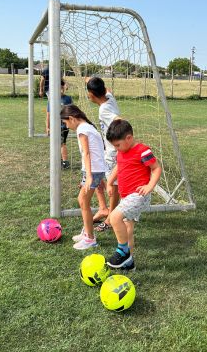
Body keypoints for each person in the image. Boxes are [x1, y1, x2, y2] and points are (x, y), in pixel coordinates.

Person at [105, 119, 162, 270]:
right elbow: (119, 166)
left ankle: (122, 251)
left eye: (118, 145)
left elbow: (156, 168)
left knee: (114, 217)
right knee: (127, 228)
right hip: (126, 196)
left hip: (138, 195)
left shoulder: (143, 151)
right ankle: (129, 263)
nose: (117, 149)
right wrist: (110, 182)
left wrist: (150, 186)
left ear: (129, 138)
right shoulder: (122, 151)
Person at [60, 104, 106, 250]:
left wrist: (90, 176)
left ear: (72, 118)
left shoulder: (82, 130)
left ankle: (90, 239)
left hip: (93, 171)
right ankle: (87, 231)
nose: (67, 126)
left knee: (82, 201)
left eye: (66, 123)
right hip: (95, 171)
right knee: (83, 200)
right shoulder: (88, 127)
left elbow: (87, 153)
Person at [86, 77, 121, 231]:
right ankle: (104, 209)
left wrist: (126, 141)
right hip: (108, 150)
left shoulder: (104, 109)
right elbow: (108, 90)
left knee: (113, 187)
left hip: (113, 154)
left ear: (92, 94)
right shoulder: (109, 98)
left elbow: (119, 121)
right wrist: (90, 79)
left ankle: (110, 219)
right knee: (101, 179)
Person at [47, 80, 72, 169]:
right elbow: (48, 114)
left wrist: (70, 123)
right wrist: (48, 127)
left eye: (61, 87)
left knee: (62, 143)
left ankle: (65, 162)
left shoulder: (67, 99)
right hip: (54, 126)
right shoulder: (51, 100)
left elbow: (71, 112)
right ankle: (59, 160)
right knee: (56, 143)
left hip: (63, 126)